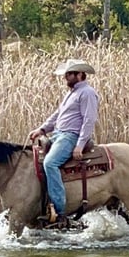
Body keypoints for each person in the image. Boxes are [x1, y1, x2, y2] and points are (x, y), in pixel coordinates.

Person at [29, 59, 100, 224]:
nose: (65, 77)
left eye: (69, 74)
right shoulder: (72, 92)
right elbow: (58, 115)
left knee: (50, 163)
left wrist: (80, 145)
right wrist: (42, 129)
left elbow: (89, 120)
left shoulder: (87, 93)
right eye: (66, 74)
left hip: (70, 136)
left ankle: (60, 213)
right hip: (59, 134)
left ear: (80, 74)